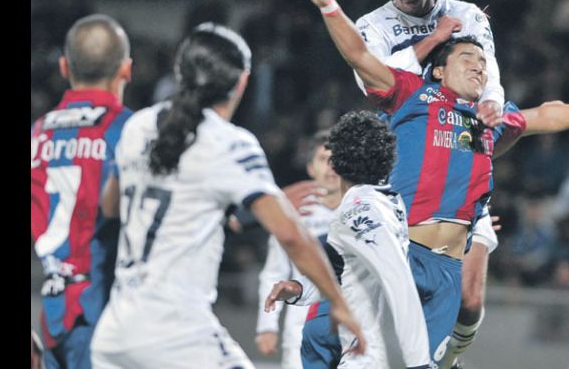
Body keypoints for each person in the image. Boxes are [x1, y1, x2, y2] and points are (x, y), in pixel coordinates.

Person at [281, 0, 569, 365]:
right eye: (467, 57)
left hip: (446, 268)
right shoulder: (413, 94)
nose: (478, 65)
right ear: (440, 70)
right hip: (399, 249)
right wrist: (325, 1)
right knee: (329, 339)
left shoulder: (490, 122)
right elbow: (359, 55)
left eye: (482, 62)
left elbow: (548, 114)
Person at [90, 23, 365, 368]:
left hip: (115, 331)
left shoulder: (137, 126)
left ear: (181, 73)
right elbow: (292, 235)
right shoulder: (229, 143)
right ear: (242, 81)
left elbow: (109, 207)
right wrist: (337, 302)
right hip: (176, 332)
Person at [354, 0, 504, 366]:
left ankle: (447, 357)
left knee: (471, 299)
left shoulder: (469, 13)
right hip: (405, 162)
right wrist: (436, 39)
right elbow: (373, 82)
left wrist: (493, 102)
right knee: (392, 295)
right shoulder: (372, 26)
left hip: (464, 148)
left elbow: (489, 68)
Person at [266, 111, 433, 369]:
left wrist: (420, 363)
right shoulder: (388, 200)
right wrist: (299, 289)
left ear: (338, 161)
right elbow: (347, 274)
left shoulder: (359, 210)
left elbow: (398, 280)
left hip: (366, 355)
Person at [31, 14, 134, 369]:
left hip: (52, 313)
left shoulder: (37, 134)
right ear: (127, 69)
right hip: (107, 312)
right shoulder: (132, 132)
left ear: (63, 66)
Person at [255, 131, 342, 368]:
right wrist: (267, 326)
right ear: (311, 168)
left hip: (351, 328)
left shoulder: (363, 210)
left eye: (338, 160)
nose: (331, 168)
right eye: (324, 160)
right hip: (302, 328)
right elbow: (275, 272)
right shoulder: (295, 212)